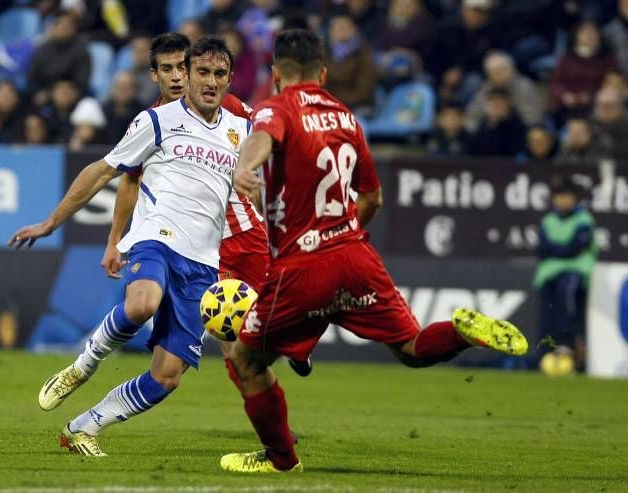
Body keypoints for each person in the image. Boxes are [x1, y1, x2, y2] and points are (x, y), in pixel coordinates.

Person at [221, 29, 529, 474]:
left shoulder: (276, 106)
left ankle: (282, 460)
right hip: (356, 254)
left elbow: (264, 136)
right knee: (411, 347)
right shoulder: (347, 117)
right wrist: (340, 236)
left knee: (246, 359)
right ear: (323, 73)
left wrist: (244, 169)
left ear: (276, 73)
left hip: (304, 264)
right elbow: (373, 198)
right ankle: (462, 332)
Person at [8, 36, 250, 456]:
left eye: (219, 74)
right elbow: (105, 173)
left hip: (204, 263)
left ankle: (85, 426)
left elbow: (259, 192)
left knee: (167, 377)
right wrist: (52, 222)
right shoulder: (156, 121)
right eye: (202, 73)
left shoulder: (241, 130)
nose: (210, 82)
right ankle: (83, 366)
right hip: (156, 239)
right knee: (142, 305)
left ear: (229, 80)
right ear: (187, 76)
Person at [102, 32, 311, 383]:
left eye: (180, 68)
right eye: (166, 69)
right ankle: (271, 424)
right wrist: (115, 238)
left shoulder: (225, 106)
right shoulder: (152, 121)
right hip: (204, 247)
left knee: (277, 315)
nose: (175, 77)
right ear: (155, 75)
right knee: (232, 342)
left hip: (249, 231)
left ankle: (295, 344)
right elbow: (129, 181)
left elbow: (259, 141)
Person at [533, 175, 597, 372]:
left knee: (566, 293)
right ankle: (545, 349)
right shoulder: (548, 220)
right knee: (546, 307)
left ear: (574, 198)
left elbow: (578, 247)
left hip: (576, 269)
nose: (561, 200)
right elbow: (542, 249)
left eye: (566, 196)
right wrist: (564, 249)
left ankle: (568, 344)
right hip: (550, 271)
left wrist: (558, 249)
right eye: (558, 196)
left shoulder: (584, 219)